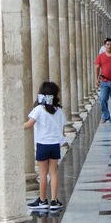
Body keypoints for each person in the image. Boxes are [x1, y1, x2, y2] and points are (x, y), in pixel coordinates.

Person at [24, 81, 66, 210]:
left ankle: (42, 200)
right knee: (53, 173)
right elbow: (62, 128)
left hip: (43, 144)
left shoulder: (38, 109)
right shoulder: (58, 110)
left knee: (43, 174)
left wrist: (15, 127)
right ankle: (54, 200)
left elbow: (29, 124)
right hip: (55, 145)